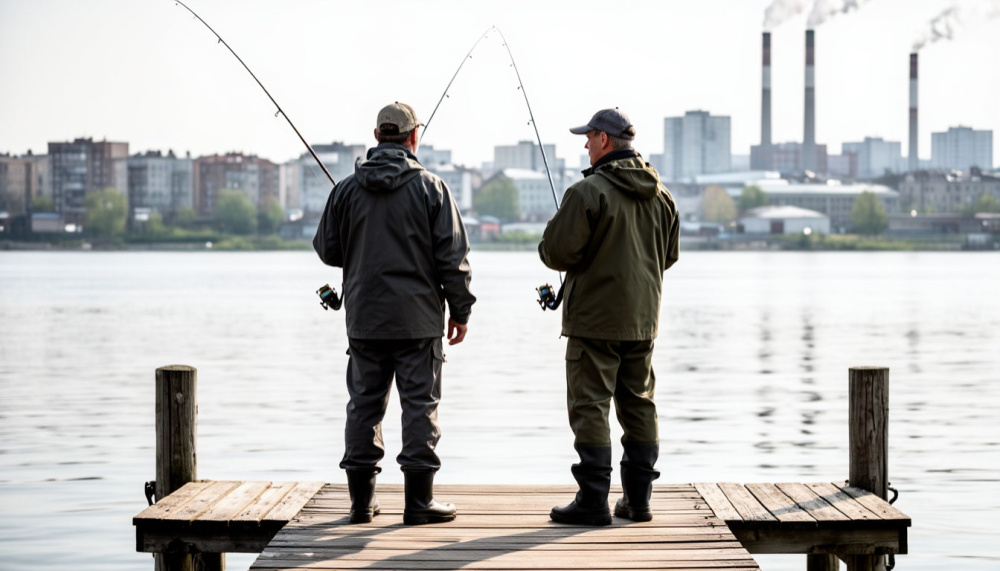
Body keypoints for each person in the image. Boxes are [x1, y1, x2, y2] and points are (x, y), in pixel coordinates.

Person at [313, 102, 475, 525]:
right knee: (420, 407)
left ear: (376, 135)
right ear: (413, 138)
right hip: (419, 323)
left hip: (364, 320)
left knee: (363, 408)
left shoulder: (346, 190)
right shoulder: (432, 188)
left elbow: (327, 250)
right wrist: (460, 311)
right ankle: (419, 505)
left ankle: (361, 504)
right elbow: (453, 259)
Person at [538, 108, 680, 526]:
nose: (584, 144)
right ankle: (638, 501)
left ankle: (593, 502)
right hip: (642, 320)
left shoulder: (588, 193)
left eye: (588, 137)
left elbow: (555, 253)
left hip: (594, 321)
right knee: (639, 404)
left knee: (591, 406)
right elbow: (667, 257)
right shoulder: (663, 195)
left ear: (603, 139)